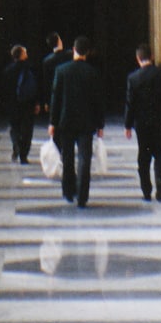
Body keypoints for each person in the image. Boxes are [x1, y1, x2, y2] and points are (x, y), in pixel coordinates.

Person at [48, 34, 104, 206]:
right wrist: (100, 124)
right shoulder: (93, 73)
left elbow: (55, 98)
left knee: (67, 158)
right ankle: (82, 196)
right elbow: (98, 101)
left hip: (65, 122)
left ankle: (68, 192)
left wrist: (52, 122)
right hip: (86, 123)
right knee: (85, 160)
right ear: (87, 52)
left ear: (73, 50)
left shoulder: (61, 71)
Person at [124, 42, 161, 201]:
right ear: (152, 57)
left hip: (141, 124)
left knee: (144, 156)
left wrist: (127, 125)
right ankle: (160, 178)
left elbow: (130, 102)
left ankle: (146, 190)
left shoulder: (133, 78)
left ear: (138, 59)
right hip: (159, 120)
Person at [3, 44, 39, 164]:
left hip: (13, 104)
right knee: (27, 130)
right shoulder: (30, 68)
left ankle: (16, 145)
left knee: (15, 128)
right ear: (22, 55)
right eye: (25, 52)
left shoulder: (8, 70)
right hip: (28, 103)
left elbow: (4, 89)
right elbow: (36, 87)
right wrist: (37, 103)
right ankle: (24, 155)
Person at [41, 32, 72, 120]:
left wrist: (47, 101)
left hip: (54, 92)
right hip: (68, 91)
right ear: (59, 41)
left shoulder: (46, 61)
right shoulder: (70, 55)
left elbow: (46, 81)